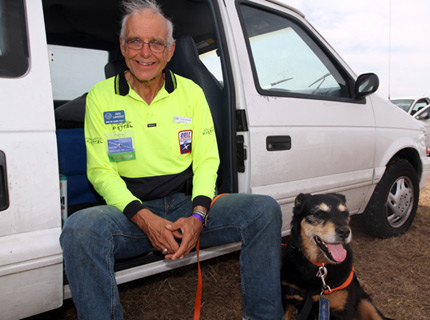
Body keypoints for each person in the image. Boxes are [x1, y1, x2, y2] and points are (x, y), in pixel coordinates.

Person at [59, 1, 283, 319]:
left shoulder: (191, 93)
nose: (145, 52)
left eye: (156, 43)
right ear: (122, 46)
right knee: (80, 230)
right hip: (130, 213)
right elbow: (100, 171)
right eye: (136, 41)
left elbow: (207, 160)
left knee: (263, 211)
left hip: (185, 205)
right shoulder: (101, 96)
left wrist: (198, 216)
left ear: (170, 50)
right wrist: (144, 218)